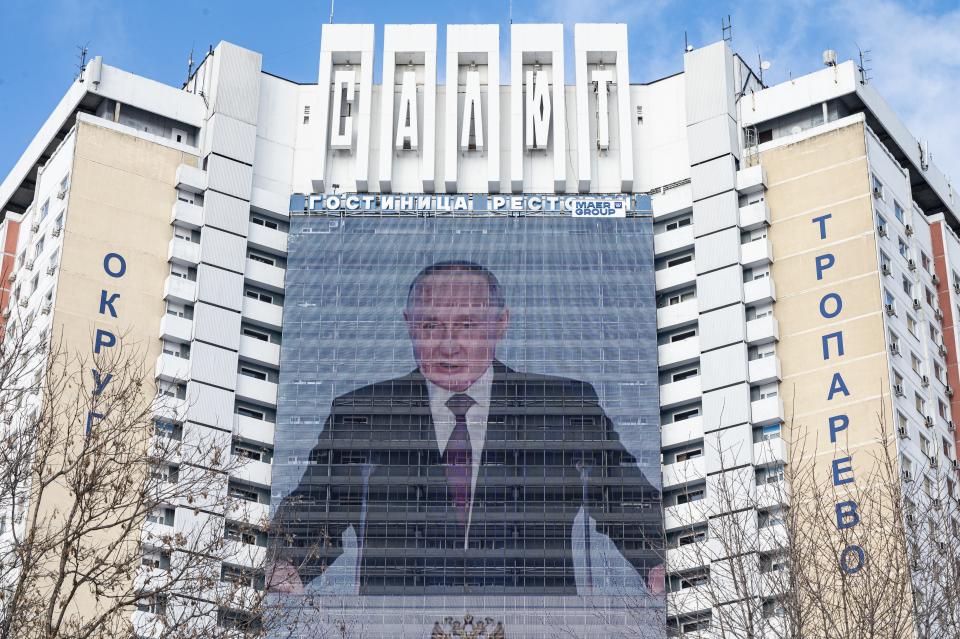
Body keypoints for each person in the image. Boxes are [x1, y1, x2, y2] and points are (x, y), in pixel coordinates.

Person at [268, 261, 663, 596]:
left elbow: (624, 499)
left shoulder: (562, 407)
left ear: (501, 323)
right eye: (430, 327)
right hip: (394, 624)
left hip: (537, 622)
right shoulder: (361, 413)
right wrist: (287, 562)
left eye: (467, 325)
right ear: (409, 325)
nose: (448, 345)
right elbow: (318, 508)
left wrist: (658, 565)